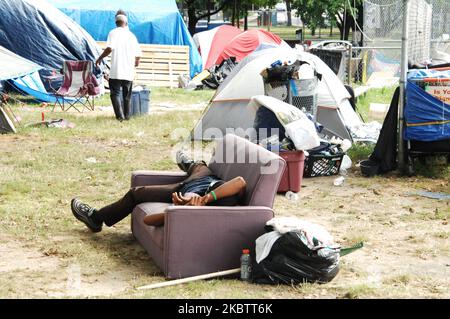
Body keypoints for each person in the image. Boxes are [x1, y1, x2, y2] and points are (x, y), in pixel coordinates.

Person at [71, 151, 247, 232]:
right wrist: (206, 199)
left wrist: (176, 210)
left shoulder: (186, 207)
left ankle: (96, 218)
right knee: (200, 167)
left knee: (136, 193)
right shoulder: (225, 198)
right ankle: (188, 163)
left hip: (182, 188)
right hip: (208, 178)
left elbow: (149, 220)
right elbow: (239, 182)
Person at [95, 11, 142, 121]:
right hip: (128, 72)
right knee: (127, 96)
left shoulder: (113, 33)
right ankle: (127, 116)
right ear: (126, 22)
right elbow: (138, 55)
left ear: (116, 22)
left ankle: (120, 117)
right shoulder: (131, 36)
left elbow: (109, 48)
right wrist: (136, 63)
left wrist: (99, 58)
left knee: (115, 94)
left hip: (116, 71)